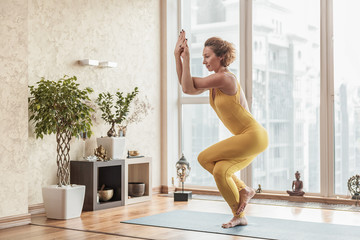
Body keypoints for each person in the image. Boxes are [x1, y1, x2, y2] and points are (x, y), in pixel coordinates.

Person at [174, 30, 269, 228]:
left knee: (203, 158)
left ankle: (243, 193)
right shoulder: (215, 82)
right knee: (220, 171)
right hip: (250, 138)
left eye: (207, 56)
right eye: (203, 57)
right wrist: (178, 56)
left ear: (221, 57)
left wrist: (187, 58)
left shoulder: (225, 79)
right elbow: (187, 88)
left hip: (252, 136)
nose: (204, 61)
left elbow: (188, 85)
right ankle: (240, 210)